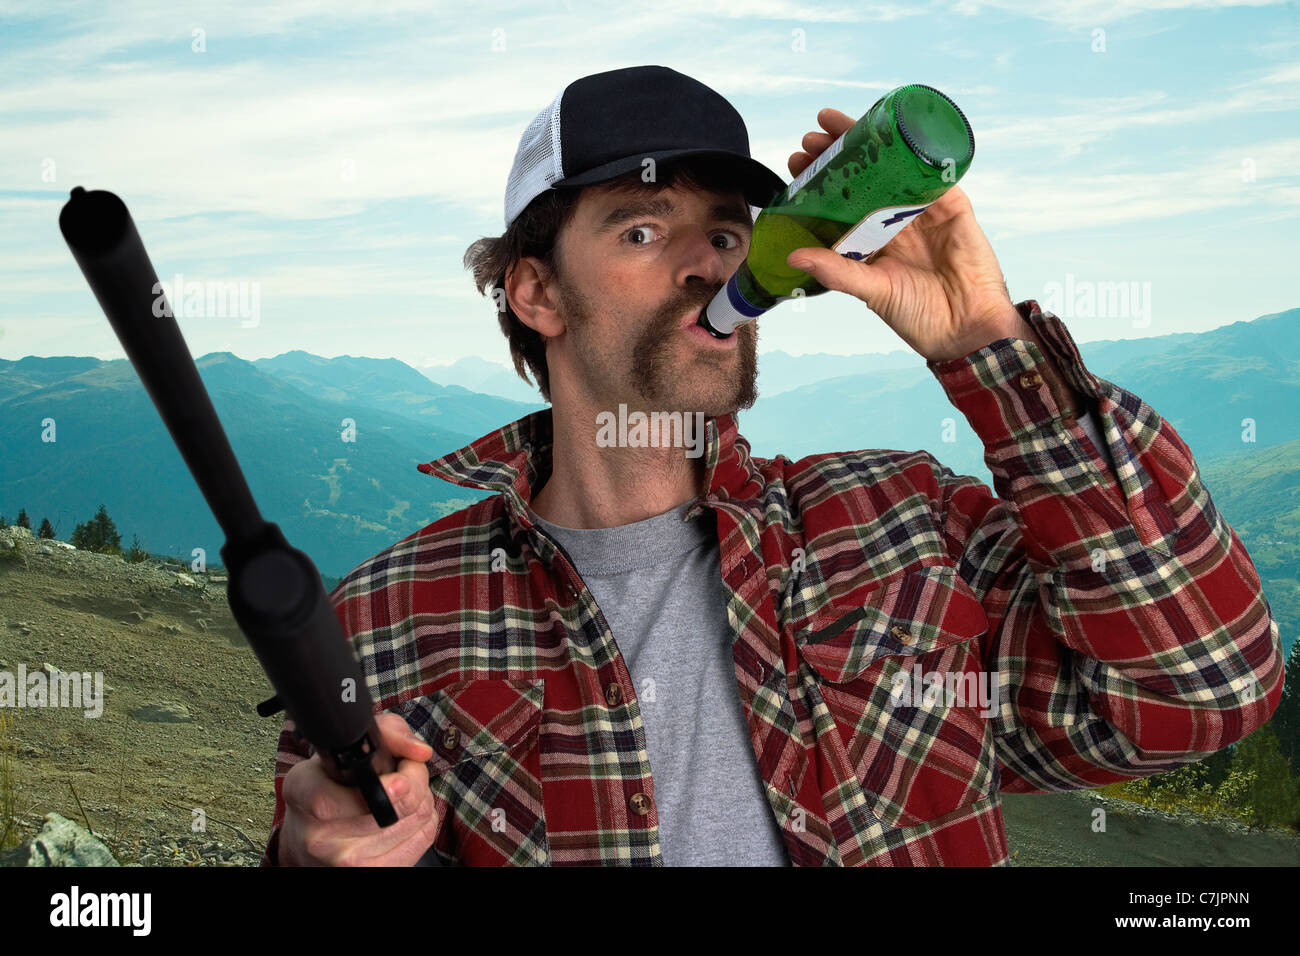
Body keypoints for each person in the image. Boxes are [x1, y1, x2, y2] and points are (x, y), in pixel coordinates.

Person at [263, 65, 1282, 867]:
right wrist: (311, 856)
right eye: (641, 228)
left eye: (724, 230)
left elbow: (1204, 688)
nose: (705, 261)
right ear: (537, 294)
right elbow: (337, 838)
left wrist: (988, 343)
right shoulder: (379, 620)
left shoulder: (903, 526)